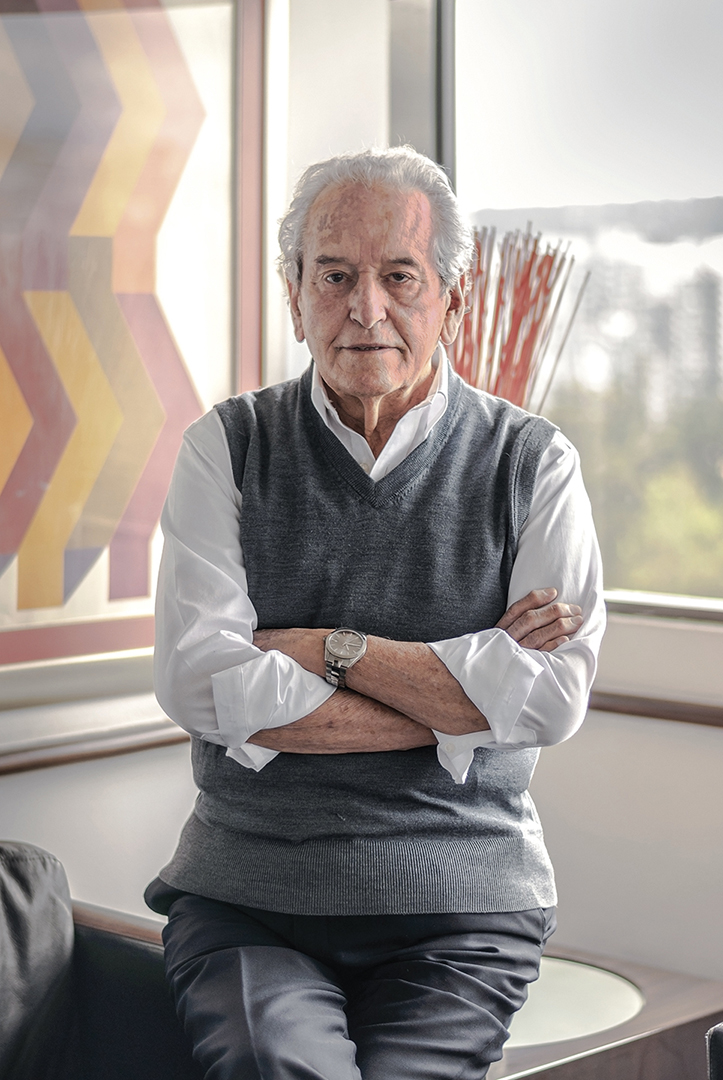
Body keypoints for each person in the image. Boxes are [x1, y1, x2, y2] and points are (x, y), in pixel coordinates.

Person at [145, 146, 605, 1080]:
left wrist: (327, 648)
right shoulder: (224, 448)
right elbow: (197, 685)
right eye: (333, 276)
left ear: (451, 300)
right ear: (294, 296)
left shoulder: (534, 463)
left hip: (465, 902)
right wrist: (463, 698)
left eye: (399, 276)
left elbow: (550, 702)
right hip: (247, 897)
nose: (365, 308)